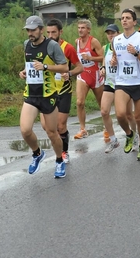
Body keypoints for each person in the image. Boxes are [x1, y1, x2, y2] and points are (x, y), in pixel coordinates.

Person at [19, 16, 69, 178]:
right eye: (28, 30)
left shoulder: (52, 46)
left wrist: (46, 66)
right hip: (31, 94)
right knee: (25, 130)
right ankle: (37, 154)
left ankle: (59, 160)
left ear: (41, 29)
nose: (30, 33)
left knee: (52, 132)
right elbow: (29, 65)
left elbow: (64, 66)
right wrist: (24, 72)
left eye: (33, 30)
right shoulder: (26, 45)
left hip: (48, 95)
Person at [111, 8, 140, 161]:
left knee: (139, 118)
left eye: (128, 18)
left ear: (134, 22)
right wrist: (113, 62)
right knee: (120, 114)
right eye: (122, 18)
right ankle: (129, 134)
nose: (124, 20)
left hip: (139, 82)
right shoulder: (116, 40)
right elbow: (115, 59)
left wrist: (136, 53)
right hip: (122, 82)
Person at [41, 18, 83, 164]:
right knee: (46, 126)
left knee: (60, 126)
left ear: (60, 32)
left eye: (54, 32)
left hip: (64, 90)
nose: (51, 35)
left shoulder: (68, 48)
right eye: (48, 32)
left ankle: (63, 152)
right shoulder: (43, 47)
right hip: (47, 91)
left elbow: (80, 67)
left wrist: (70, 73)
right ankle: (60, 145)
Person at [100, 24, 138, 154]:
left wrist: (118, 63)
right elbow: (103, 61)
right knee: (104, 111)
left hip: (123, 85)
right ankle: (113, 140)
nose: (110, 35)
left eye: (113, 33)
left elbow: (130, 62)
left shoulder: (123, 47)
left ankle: (134, 136)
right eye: (108, 33)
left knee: (128, 115)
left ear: (118, 34)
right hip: (110, 83)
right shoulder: (105, 48)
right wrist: (102, 68)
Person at [74, 19, 105, 139]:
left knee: (102, 105)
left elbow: (103, 57)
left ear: (88, 29)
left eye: (83, 28)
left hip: (96, 75)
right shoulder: (77, 42)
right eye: (79, 28)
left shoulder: (94, 42)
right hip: (83, 74)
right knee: (79, 102)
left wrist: (91, 58)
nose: (80, 30)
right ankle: (82, 129)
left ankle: (107, 128)